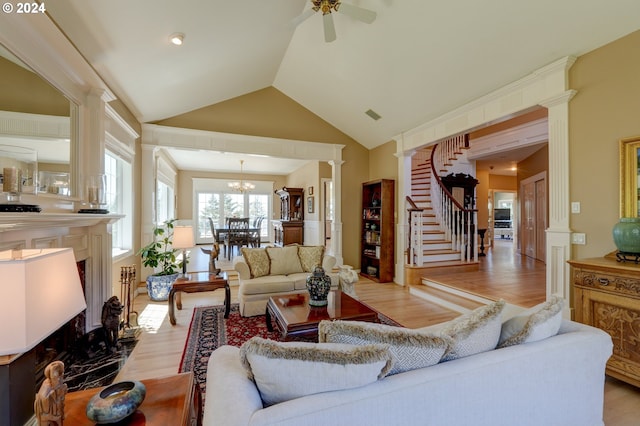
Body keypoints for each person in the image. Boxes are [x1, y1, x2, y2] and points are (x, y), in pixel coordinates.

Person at [34, 360, 67, 426]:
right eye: (55, 377)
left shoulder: (59, 383)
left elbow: (61, 396)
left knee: (59, 420)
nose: (58, 379)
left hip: (56, 410)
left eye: (60, 376)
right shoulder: (47, 386)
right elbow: (43, 399)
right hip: (47, 413)